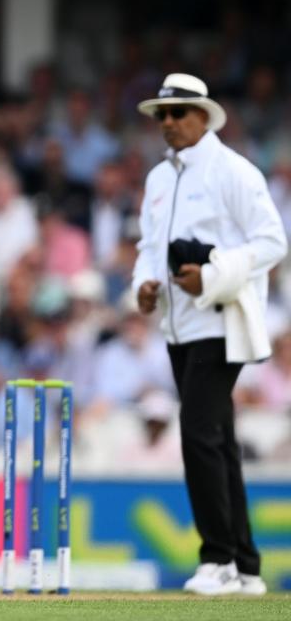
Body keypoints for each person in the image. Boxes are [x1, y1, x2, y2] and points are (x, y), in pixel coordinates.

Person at [133, 73, 287, 596]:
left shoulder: (234, 172)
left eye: (178, 114)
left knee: (199, 433)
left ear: (204, 115)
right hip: (178, 323)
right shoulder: (159, 179)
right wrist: (144, 285)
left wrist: (213, 273)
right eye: (162, 116)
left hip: (222, 316)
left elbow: (272, 242)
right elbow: (148, 248)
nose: (168, 124)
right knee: (217, 440)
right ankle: (245, 566)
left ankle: (216, 558)